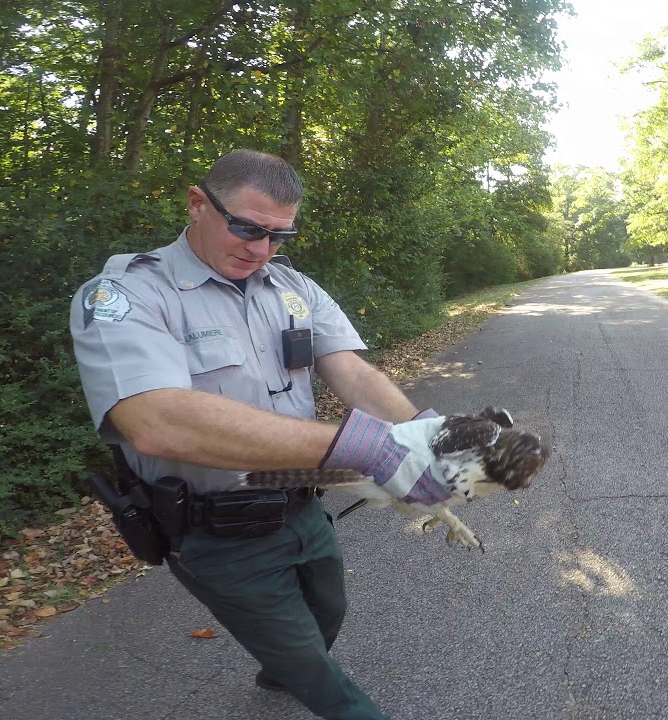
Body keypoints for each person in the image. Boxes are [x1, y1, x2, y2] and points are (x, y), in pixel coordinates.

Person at [68, 149, 438, 720]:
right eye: (246, 227)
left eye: (278, 236)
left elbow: (354, 372)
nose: (261, 249)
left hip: (302, 509)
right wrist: (367, 449)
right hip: (216, 531)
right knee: (318, 673)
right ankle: (295, 669)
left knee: (328, 613)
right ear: (197, 203)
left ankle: (277, 668)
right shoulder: (127, 295)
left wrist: (425, 438)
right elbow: (155, 421)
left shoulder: (292, 289)